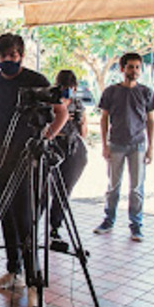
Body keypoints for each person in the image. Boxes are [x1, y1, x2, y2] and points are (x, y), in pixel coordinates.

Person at [0, 33, 68, 307]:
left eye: (13, 56)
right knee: (6, 217)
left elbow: (61, 112)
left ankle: (33, 282)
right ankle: (13, 271)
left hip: (27, 160)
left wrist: (46, 137)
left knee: (26, 222)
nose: (7, 61)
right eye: (2, 56)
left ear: (21, 55)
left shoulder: (36, 80)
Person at [94, 53, 154, 242]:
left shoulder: (146, 92)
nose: (134, 71)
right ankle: (108, 220)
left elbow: (151, 121)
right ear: (122, 69)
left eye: (137, 67)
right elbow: (104, 118)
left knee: (136, 187)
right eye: (130, 67)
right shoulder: (111, 92)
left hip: (137, 145)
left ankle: (136, 226)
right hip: (116, 144)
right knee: (113, 186)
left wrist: (150, 147)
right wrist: (104, 145)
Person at [48, 70, 88, 242]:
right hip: (52, 145)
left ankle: (55, 226)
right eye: (64, 87)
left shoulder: (78, 103)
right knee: (47, 186)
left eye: (71, 88)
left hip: (72, 146)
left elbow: (84, 132)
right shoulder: (50, 101)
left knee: (65, 188)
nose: (67, 91)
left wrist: (79, 120)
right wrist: (59, 115)